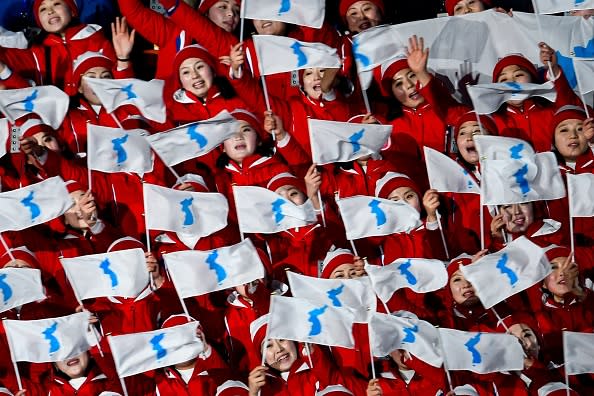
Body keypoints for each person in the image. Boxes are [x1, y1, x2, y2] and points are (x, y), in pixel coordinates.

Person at [0, 0, 131, 95]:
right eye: (43, 9)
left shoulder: (96, 39)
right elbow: (9, 57)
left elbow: (123, 87)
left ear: (72, 11)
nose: (50, 11)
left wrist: (123, 59)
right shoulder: (38, 49)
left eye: (56, 4)